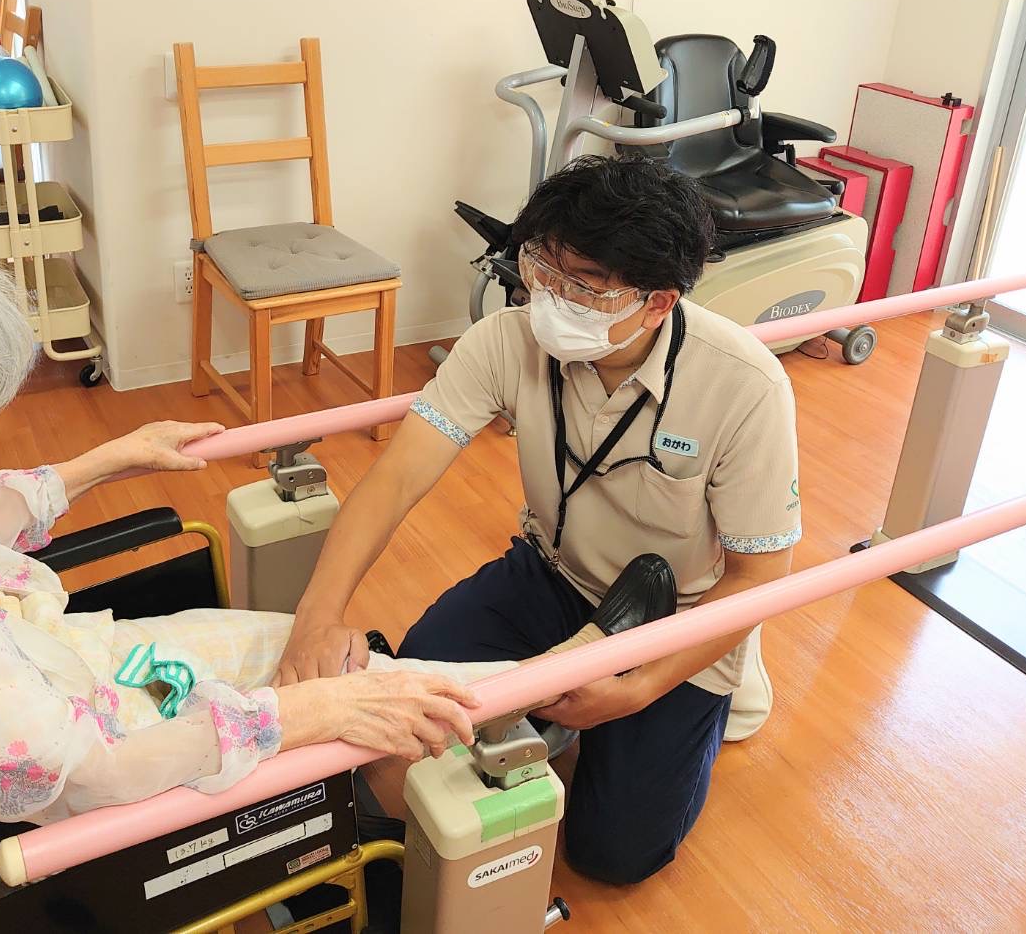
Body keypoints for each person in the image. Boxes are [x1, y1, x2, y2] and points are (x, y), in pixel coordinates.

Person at [0, 238, 648, 913]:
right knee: (355, 697)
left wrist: (106, 460)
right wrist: (304, 719)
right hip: (56, 812)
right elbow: (90, 774)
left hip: (53, 685)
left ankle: (461, 728)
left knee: (313, 655)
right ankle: (532, 697)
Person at [275, 156, 801, 885]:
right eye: (540, 269)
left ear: (657, 302)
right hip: (553, 573)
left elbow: (759, 575)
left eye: (582, 286)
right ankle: (563, 686)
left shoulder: (744, 385)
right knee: (422, 682)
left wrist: (639, 689)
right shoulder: (505, 340)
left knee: (614, 856)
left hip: (679, 615)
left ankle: (720, 697)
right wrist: (316, 616)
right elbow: (395, 480)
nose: (550, 299)